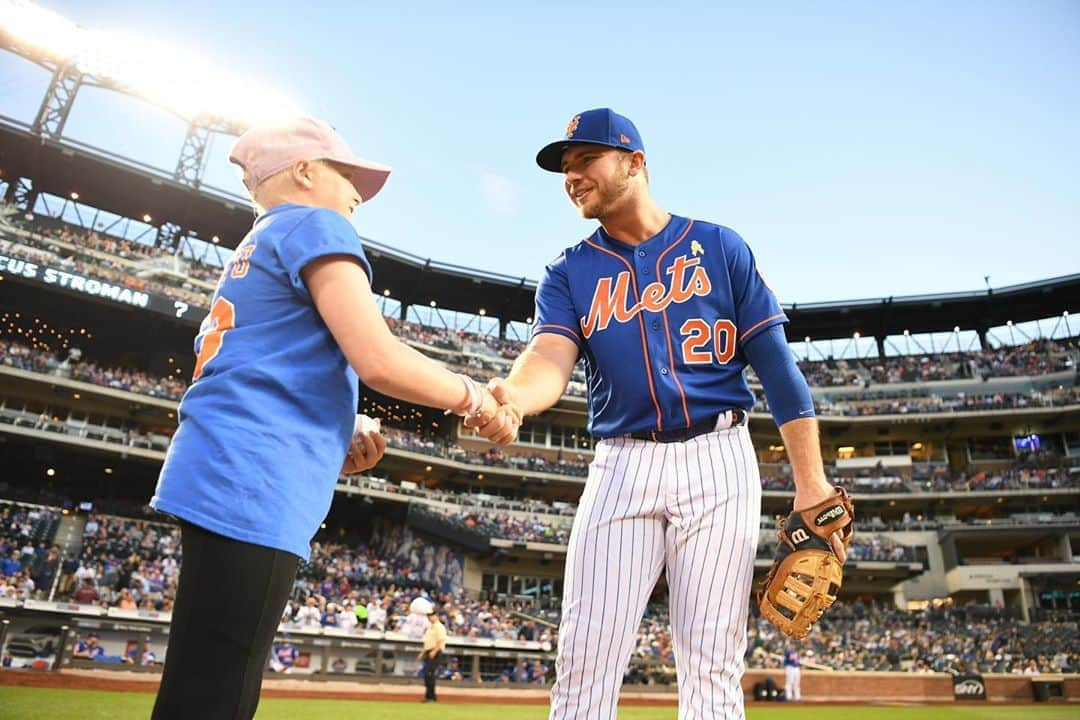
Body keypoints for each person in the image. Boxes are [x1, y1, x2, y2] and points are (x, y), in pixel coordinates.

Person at [470, 108, 849, 719]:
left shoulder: (720, 247)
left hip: (719, 457)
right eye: (564, 168)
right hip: (622, 463)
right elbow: (548, 357)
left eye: (583, 161)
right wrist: (513, 395)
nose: (571, 177)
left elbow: (778, 369)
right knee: (585, 656)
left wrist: (812, 482)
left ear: (634, 162)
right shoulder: (568, 273)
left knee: (712, 663)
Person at [148, 115, 521, 720]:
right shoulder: (313, 223)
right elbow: (377, 358)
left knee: (201, 683)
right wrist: (476, 399)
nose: (355, 194)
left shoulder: (258, 243)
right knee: (218, 694)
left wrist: (335, 428)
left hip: (225, 464)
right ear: (303, 172)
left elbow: (259, 367)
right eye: (346, 175)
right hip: (253, 475)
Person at [419, 608, 447, 702]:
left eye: (431, 615)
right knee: (427, 674)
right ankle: (428, 696)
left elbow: (441, 640)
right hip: (429, 651)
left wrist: (434, 651)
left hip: (435, 652)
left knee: (430, 674)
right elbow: (428, 642)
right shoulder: (431, 627)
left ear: (436, 615)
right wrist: (423, 653)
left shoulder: (439, 627)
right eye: (429, 616)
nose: (430, 617)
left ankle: (431, 697)